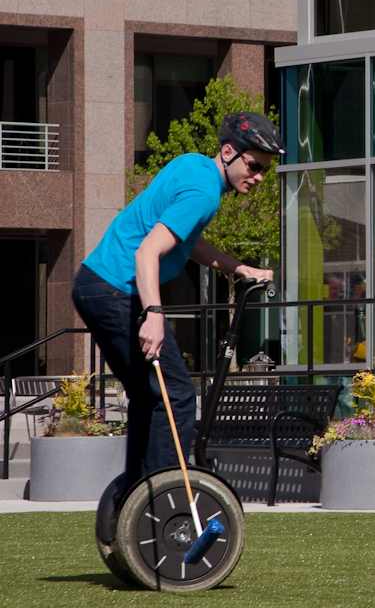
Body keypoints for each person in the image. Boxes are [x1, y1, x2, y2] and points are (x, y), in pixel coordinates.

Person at [72, 112, 284, 487]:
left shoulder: (193, 166)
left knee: (149, 396)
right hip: (116, 290)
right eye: (254, 165)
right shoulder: (204, 193)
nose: (259, 176)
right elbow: (147, 252)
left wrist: (240, 268)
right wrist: (154, 314)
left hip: (93, 284)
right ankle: (163, 497)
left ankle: (136, 496)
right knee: (178, 395)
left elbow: (187, 240)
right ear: (229, 151)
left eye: (264, 169)